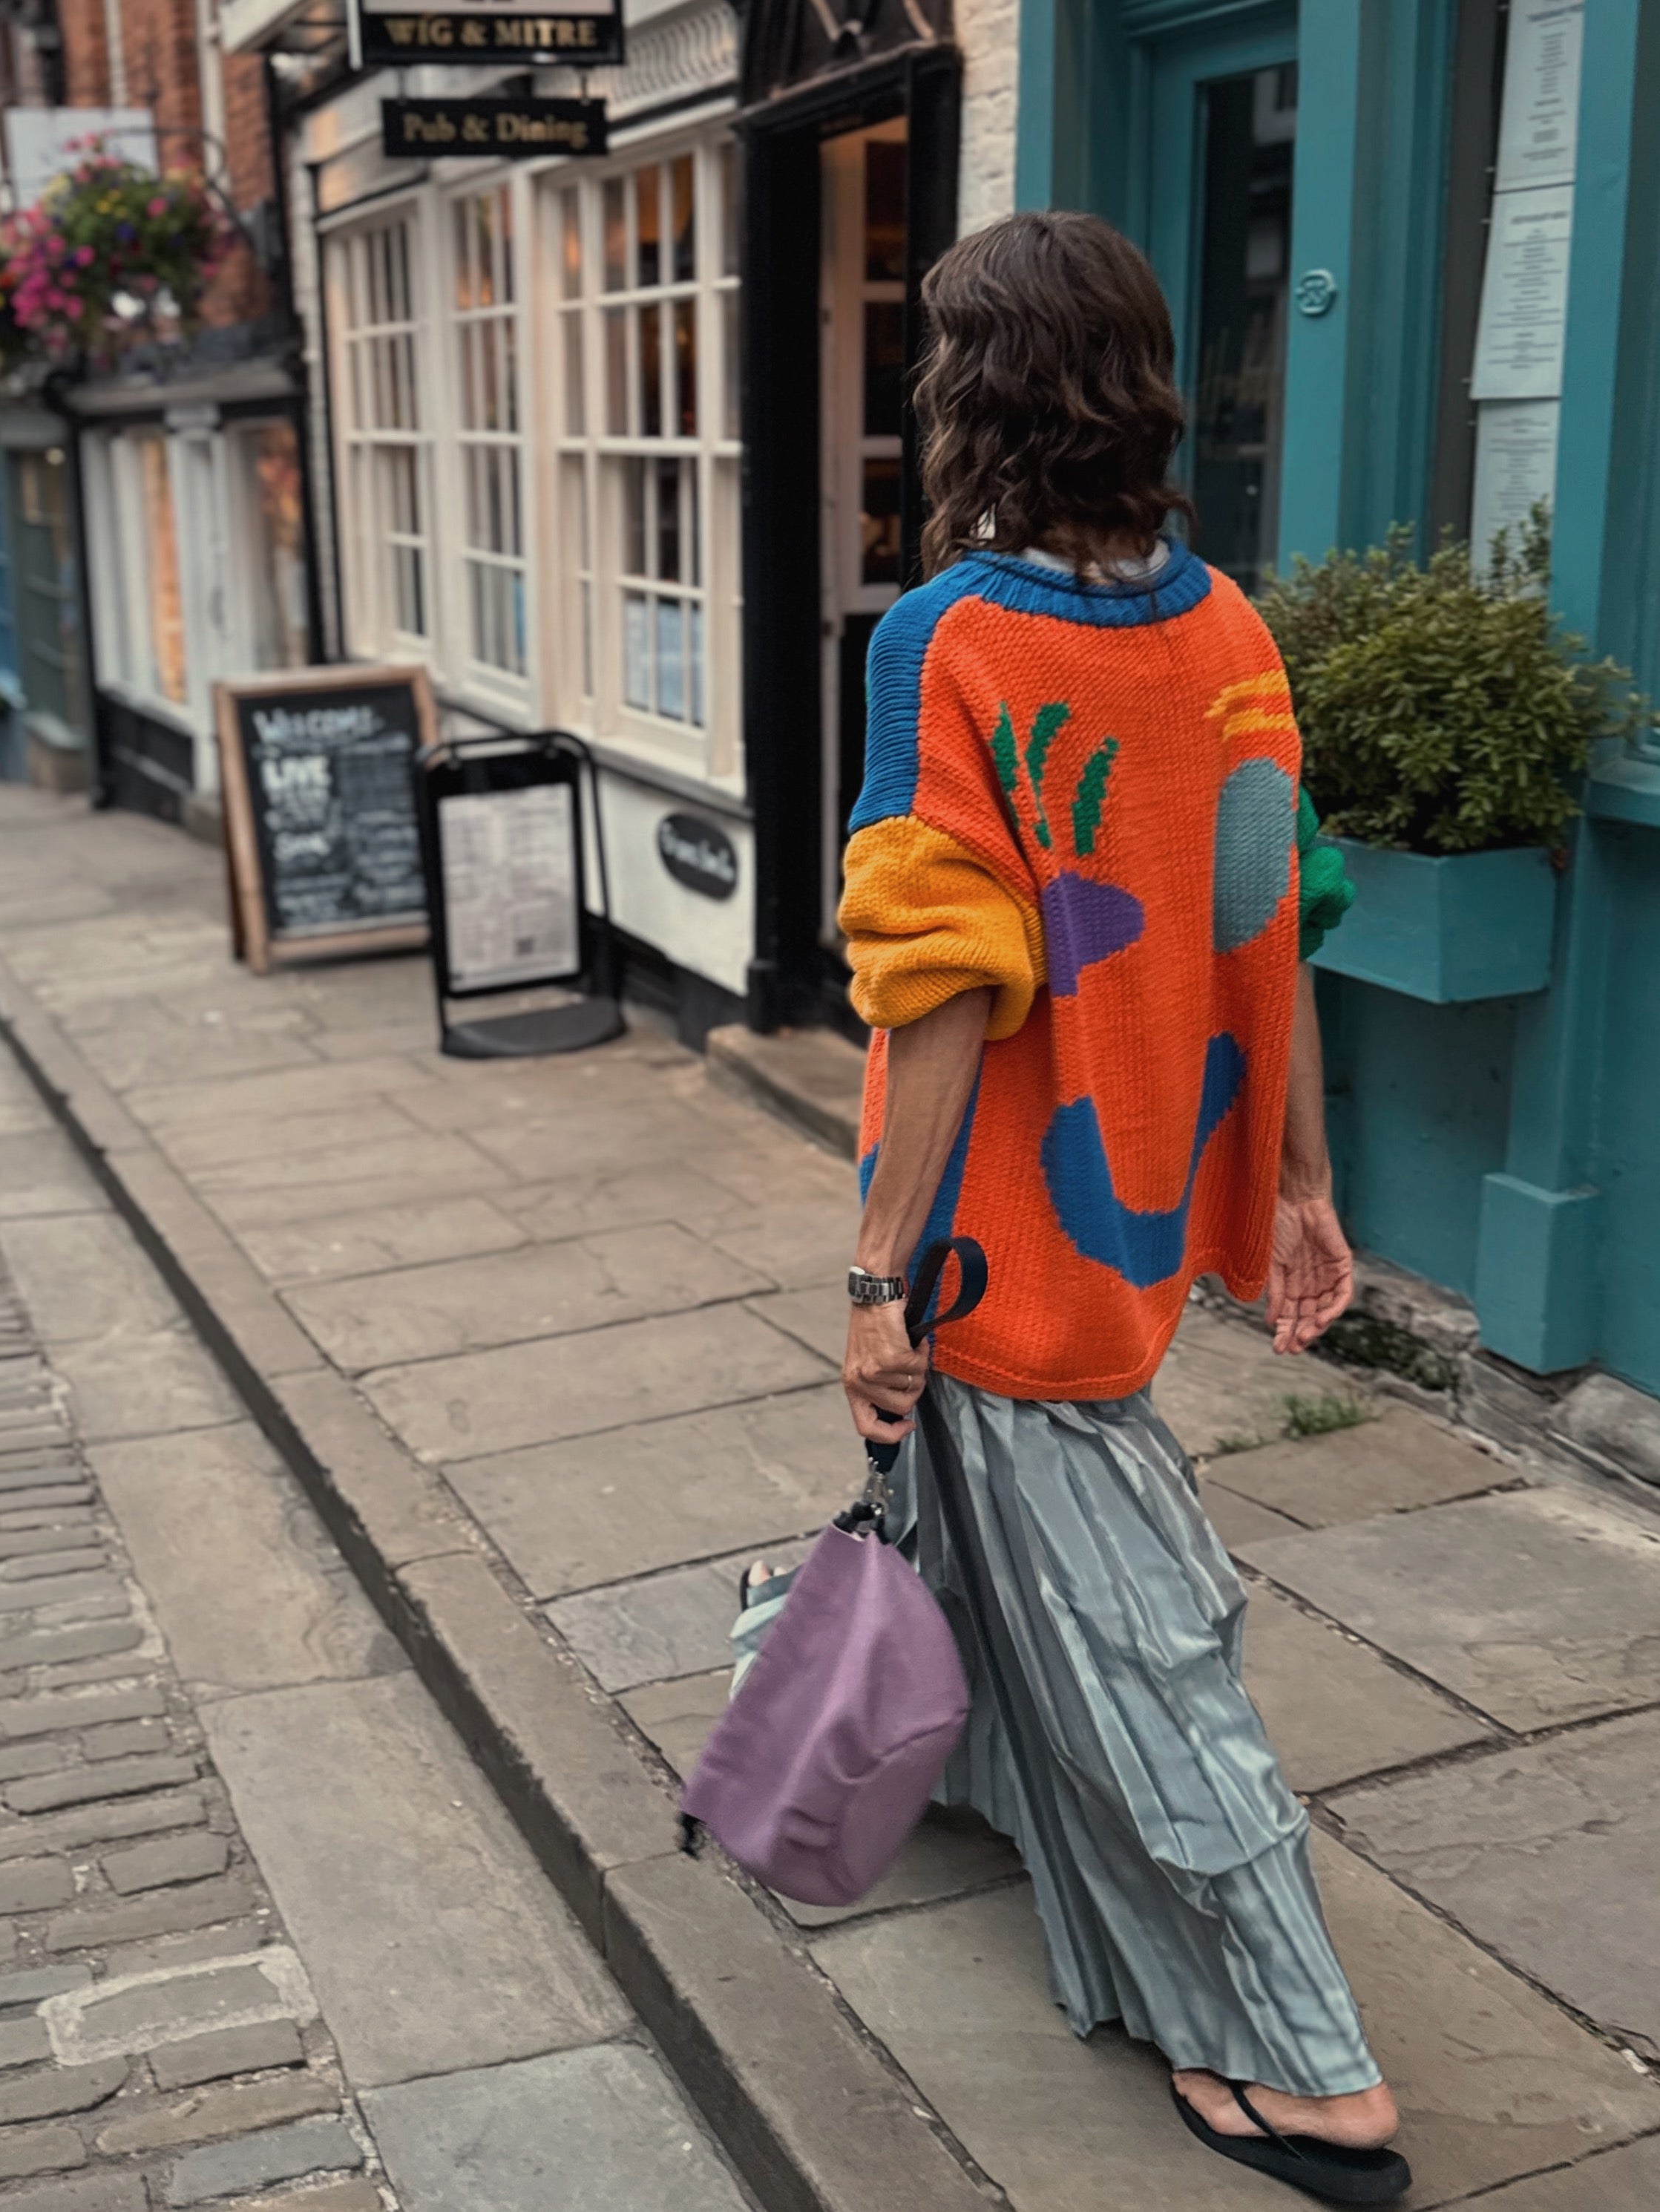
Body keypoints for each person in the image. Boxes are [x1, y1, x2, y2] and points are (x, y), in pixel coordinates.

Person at [827, 209, 1406, 2205]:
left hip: (1001, 1249)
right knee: (993, 1540)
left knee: (1151, 1639)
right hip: (1142, 1212)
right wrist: (1312, 1189)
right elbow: (1273, 929)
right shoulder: (1230, 630)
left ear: (971, 395)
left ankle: (1302, 2054)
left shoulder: (951, 641)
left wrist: (877, 1284)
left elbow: (938, 996)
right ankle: (977, 1778)